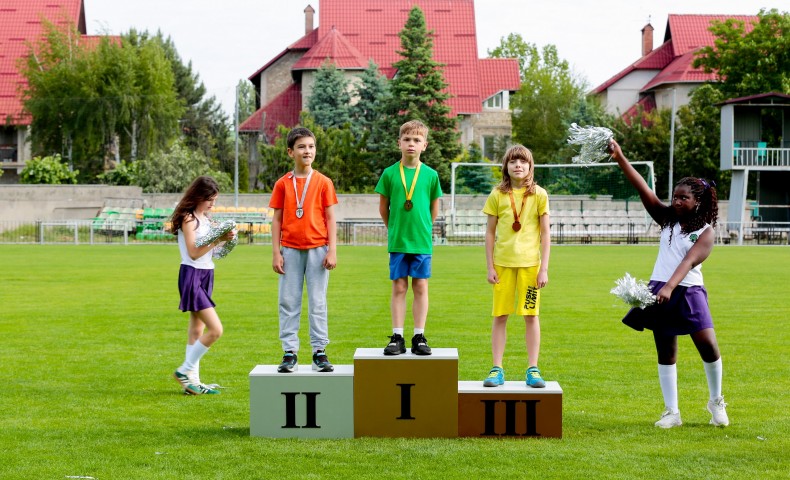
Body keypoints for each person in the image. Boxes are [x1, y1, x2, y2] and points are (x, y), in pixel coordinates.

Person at [610, 139, 729, 428]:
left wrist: (669, 286)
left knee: (708, 346)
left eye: (683, 198)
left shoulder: (706, 231)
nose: (676, 201)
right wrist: (621, 157)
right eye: (674, 196)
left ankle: (716, 402)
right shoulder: (667, 220)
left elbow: (688, 261)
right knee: (666, 350)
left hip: (688, 292)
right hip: (660, 289)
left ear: (697, 201)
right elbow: (644, 190)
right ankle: (672, 412)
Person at [481, 145, 551, 388]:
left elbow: (546, 234)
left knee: (531, 316)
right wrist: (489, 266)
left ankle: (533, 368)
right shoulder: (497, 195)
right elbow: (490, 233)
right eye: (513, 161)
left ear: (530, 167)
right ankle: (496, 368)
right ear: (506, 167)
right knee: (500, 316)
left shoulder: (539, 195)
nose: (518, 165)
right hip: (502, 266)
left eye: (523, 161)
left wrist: (544, 268)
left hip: (531, 268)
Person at [270, 126, 338, 373]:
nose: (307, 150)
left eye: (311, 146)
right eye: (301, 146)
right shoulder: (282, 184)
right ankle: (289, 352)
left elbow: (330, 218)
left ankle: (319, 352)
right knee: (288, 301)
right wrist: (276, 252)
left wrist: (332, 250)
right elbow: (277, 219)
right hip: (289, 249)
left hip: (318, 250)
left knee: (318, 302)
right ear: (291, 152)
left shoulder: (323, 182)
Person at [375, 120, 443, 356]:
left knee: (421, 286)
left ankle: (419, 335)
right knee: (400, 286)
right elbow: (384, 208)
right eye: (407, 140)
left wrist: (425, 228)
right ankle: (397, 336)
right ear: (399, 143)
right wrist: (392, 228)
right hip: (399, 241)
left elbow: (434, 208)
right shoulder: (390, 173)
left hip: (421, 241)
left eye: (416, 140)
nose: (411, 144)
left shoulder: (431, 175)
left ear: (424, 145)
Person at [171, 176, 236, 395]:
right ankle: (185, 370)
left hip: (207, 274)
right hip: (192, 275)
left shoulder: (206, 219)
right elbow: (194, 252)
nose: (212, 204)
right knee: (216, 330)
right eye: (209, 199)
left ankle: (193, 384)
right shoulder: (188, 219)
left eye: (214, 200)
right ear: (199, 196)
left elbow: (215, 253)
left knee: (197, 330)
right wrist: (217, 239)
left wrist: (227, 239)